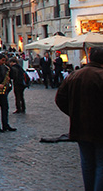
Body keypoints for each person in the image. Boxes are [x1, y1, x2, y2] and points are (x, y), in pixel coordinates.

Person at [55, 47, 103, 191]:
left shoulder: (74, 75)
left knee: (87, 162)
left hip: (80, 126)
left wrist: (74, 113)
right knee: (101, 163)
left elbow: (60, 99)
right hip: (100, 126)